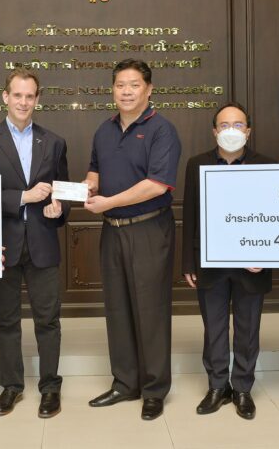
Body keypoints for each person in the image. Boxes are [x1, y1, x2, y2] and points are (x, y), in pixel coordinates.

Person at [83, 59, 181, 421]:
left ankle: (154, 389)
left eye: (134, 85)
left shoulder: (162, 130)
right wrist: (89, 186)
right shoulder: (104, 130)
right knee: (118, 307)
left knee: (151, 310)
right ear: (112, 89)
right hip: (112, 230)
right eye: (120, 85)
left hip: (149, 228)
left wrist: (109, 201)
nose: (126, 91)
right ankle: (125, 383)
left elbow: (156, 184)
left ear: (149, 89)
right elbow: (95, 170)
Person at [0, 69, 69, 419]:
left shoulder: (54, 142)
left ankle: (50, 387)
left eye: (30, 96)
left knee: (48, 321)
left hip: (43, 244)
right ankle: (11, 386)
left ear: (37, 99)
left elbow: (63, 191)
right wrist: (24, 197)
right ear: (5, 97)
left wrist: (59, 208)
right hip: (2, 247)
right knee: (7, 321)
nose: (23, 102)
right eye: (17, 95)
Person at [182, 102, 273, 420]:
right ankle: (218, 386)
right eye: (224, 125)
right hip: (210, 263)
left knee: (248, 329)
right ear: (214, 131)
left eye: (238, 125)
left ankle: (243, 388)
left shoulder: (267, 166)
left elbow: (275, 216)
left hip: (253, 264)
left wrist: (267, 255)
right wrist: (188, 262)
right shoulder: (197, 164)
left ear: (248, 131)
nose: (231, 130)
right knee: (214, 328)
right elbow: (190, 214)